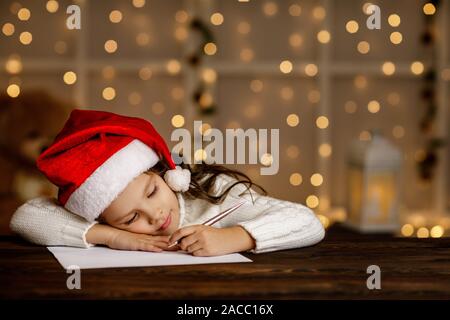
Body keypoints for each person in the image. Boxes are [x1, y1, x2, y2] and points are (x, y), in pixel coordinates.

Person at [10, 109, 325, 256]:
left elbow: (308, 221)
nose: (155, 215)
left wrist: (234, 237)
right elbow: (26, 218)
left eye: (152, 192)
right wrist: (111, 237)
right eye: (132, 218)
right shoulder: (110, 227)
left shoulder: (214, 194)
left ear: (165, 174)